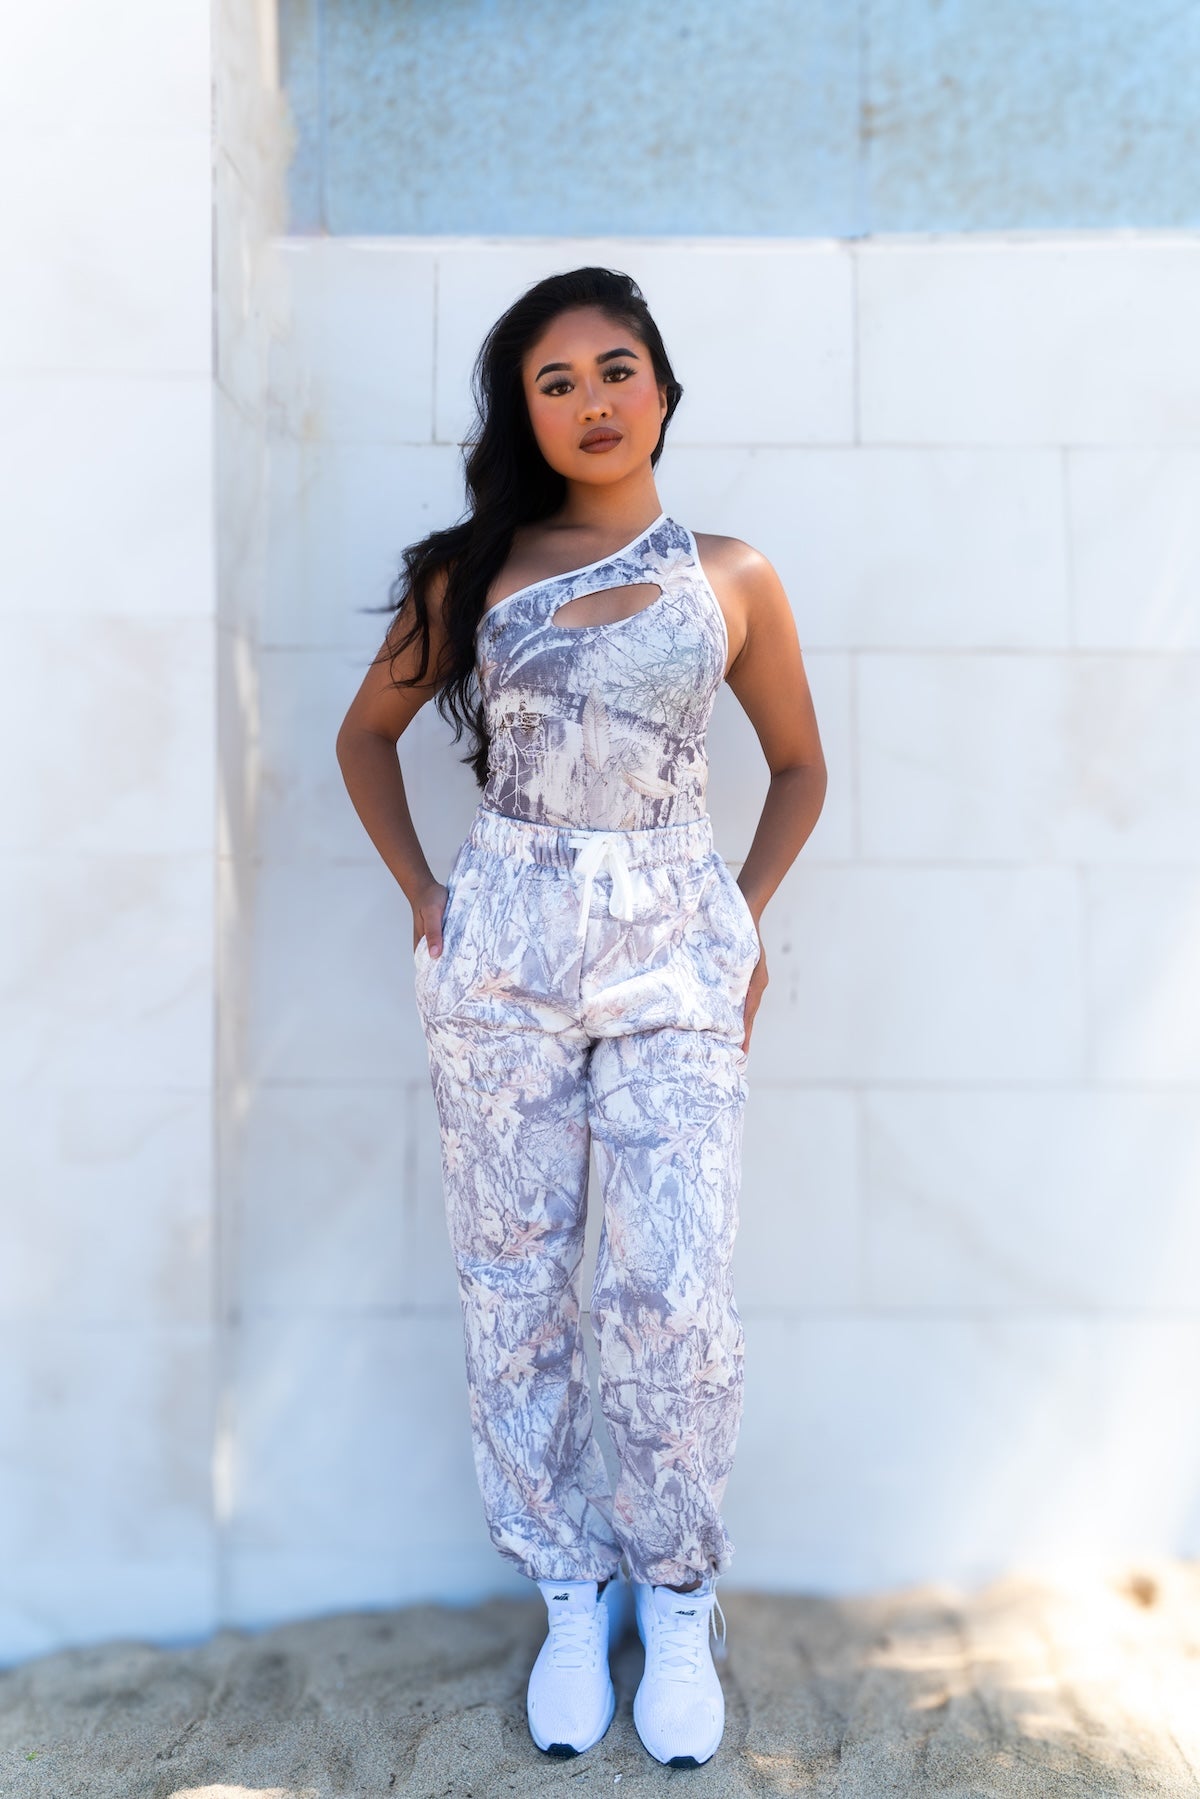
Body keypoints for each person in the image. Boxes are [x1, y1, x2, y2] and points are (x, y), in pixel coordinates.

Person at [335, 266, 825, 1767]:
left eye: (617, 370)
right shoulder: (471, 575)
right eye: (556, 383)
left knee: (670, 1284)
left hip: (674, 944)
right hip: (505, 944)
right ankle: (567, 1587)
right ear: (527, 416)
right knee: (515, 1279)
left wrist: (742, 918)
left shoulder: (731, 574)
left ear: (662, 390)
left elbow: (800, 768)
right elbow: (364, 738)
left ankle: (675, 1596)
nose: (593, 401)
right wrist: (426, 896)